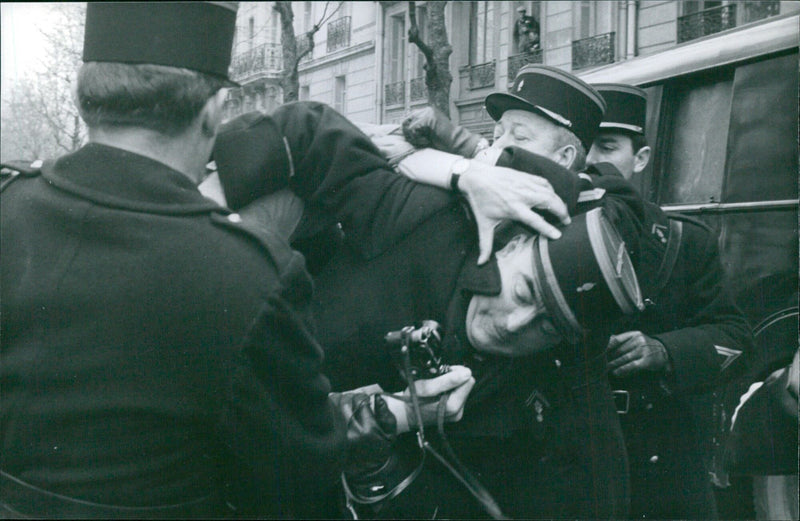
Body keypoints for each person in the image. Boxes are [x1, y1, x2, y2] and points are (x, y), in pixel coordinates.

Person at [0, 3, 475, 518]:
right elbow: (296, 490)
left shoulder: (9, 205)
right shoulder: (251, 274)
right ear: (212, 113)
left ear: (83, 95)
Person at [211, 68, 646, 519]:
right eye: (524, 290)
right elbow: (305, 131)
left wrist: (382, 438)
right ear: (513, 242)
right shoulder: (430, 220)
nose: (514, 322)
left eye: (547, 323)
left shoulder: (531, 402)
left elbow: (623, 210)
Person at [584, 83, 754, 519]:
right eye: (580, 146)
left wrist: (663, 350)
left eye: (607, 147)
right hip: (571, 455)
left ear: (639, 160)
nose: (590, 160)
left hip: (661, 455)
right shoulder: (537, 234)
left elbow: (735, 337)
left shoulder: (684, 242)